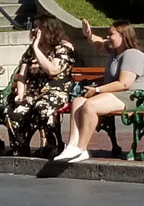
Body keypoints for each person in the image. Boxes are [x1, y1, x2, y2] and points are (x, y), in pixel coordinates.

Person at [54, 19, 144, 163]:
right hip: (115, 94)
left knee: (90, 105)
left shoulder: (132, 54)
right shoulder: (115, 51)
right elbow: (99, 44)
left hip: (132, 96)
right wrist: (88, 35)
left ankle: (81, 149)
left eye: (111, 34)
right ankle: (72, 146)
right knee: (78, 102)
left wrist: (97, 90)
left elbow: (124, 83)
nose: (108, 37)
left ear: (123, 36)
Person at [4, 15, 74, 157]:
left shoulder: (63, 48)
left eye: (39, 27)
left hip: (56, 91)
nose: (35, 30)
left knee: (42, 108)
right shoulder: (30, 51)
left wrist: (36, 48)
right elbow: (22, 75)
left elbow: (52, 70)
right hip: (34, 93)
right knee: (11, 111)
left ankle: (51, 143)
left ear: (49, 29)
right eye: (34, 27)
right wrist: (20, 94)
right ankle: (20, 145)